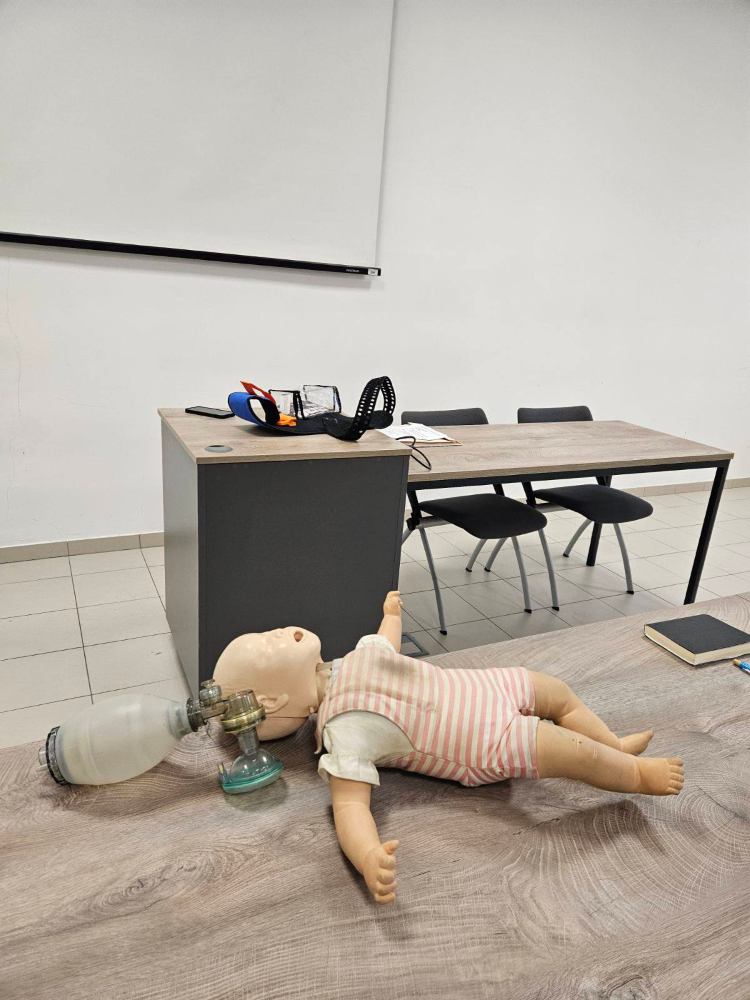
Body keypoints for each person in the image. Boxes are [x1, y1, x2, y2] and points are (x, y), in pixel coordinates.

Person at [214, 591, 684, 905]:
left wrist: (391, 617)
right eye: (266, 645)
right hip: (482, 740)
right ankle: (636, 775)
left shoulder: (352, 659)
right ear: (271, 702)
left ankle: (614, 744)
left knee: (557, 692)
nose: (275, 632)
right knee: (575, 754)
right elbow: (349, 807)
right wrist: (368, 856)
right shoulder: (342, 731)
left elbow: (386, 645)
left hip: (484, 687)